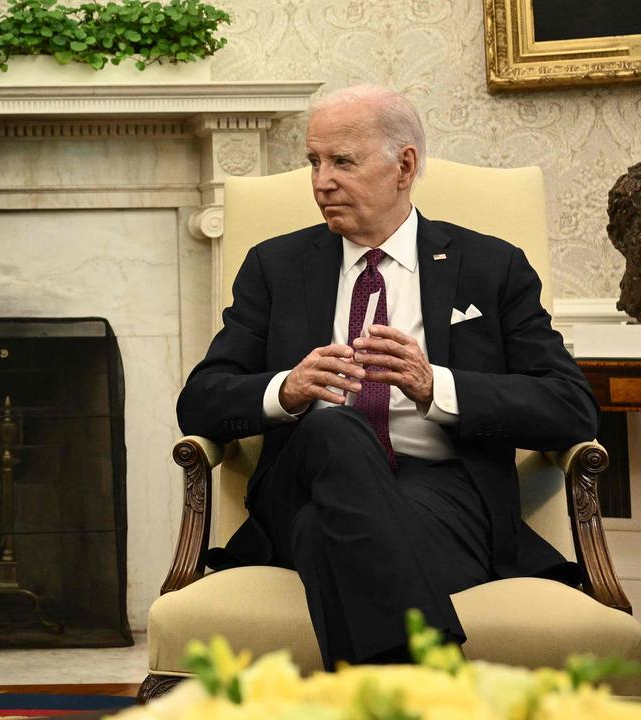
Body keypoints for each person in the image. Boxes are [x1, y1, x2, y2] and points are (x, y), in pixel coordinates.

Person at [176, 85, 598, 670]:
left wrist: (436, 386)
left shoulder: (490, 266)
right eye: (314, 162)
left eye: (342, 162)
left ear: (404, 166)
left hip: (442, 491)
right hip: (303, 479)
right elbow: (200, 401)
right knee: (334, 431)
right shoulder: (275, 267)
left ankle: (394, 687)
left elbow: (570, 406)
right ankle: (436, 680)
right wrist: (287, 390)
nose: (321, 181)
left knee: (326, 536)